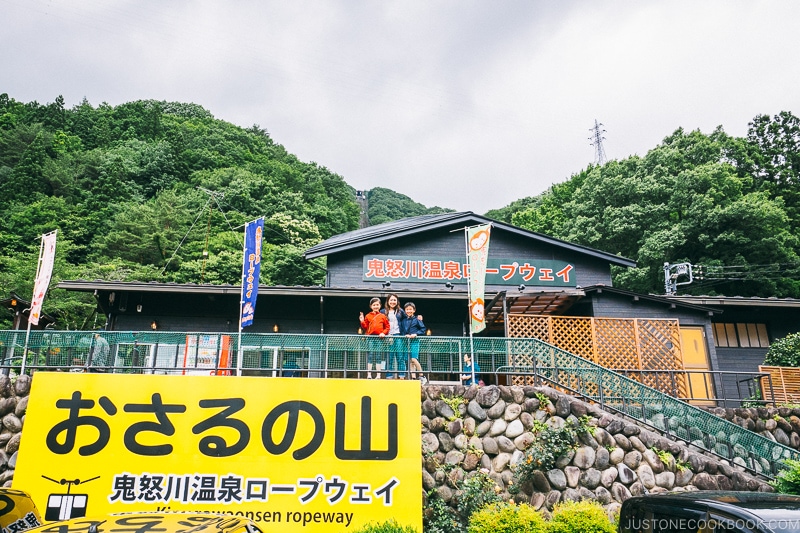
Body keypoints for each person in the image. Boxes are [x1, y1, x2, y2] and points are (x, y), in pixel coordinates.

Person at [359, 297, 389, 379]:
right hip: (370, 337)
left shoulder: (383, 316)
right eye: (374, 305)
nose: (376, 306)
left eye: (377, 305)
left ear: (380, 306)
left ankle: (378, 375)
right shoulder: (368, 316)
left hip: (380, 338)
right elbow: (365, 327)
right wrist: (362, 321)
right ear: (371, 306)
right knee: (370, 355)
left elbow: (387, 327)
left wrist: (383, 333)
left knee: (379, 355)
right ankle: (369, 374)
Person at [400, 301, 427, 383]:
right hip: (406, 341)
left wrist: (415, 334)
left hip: (414, 341)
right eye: (407, 309)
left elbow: (423, 329)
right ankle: (413, 377)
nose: (409, 311)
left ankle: (422, 375)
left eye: (410, 309)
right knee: (409, 360)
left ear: (414, 310)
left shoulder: (417, 319)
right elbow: (402, 331)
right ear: (405, 310)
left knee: (414, 358)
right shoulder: (403, 320)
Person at [382, 293, 406, 379]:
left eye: (394, 300)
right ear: (388, 301)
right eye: (391, 300)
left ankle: (402, 376)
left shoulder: (401, 311)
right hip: (388, 336)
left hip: (398, 335)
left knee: (400, 356)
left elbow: (408, 319)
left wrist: (418, 318)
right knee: (389, 356)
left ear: (397, 301)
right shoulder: (383, 311)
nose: (393, 302)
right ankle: (389, 376)